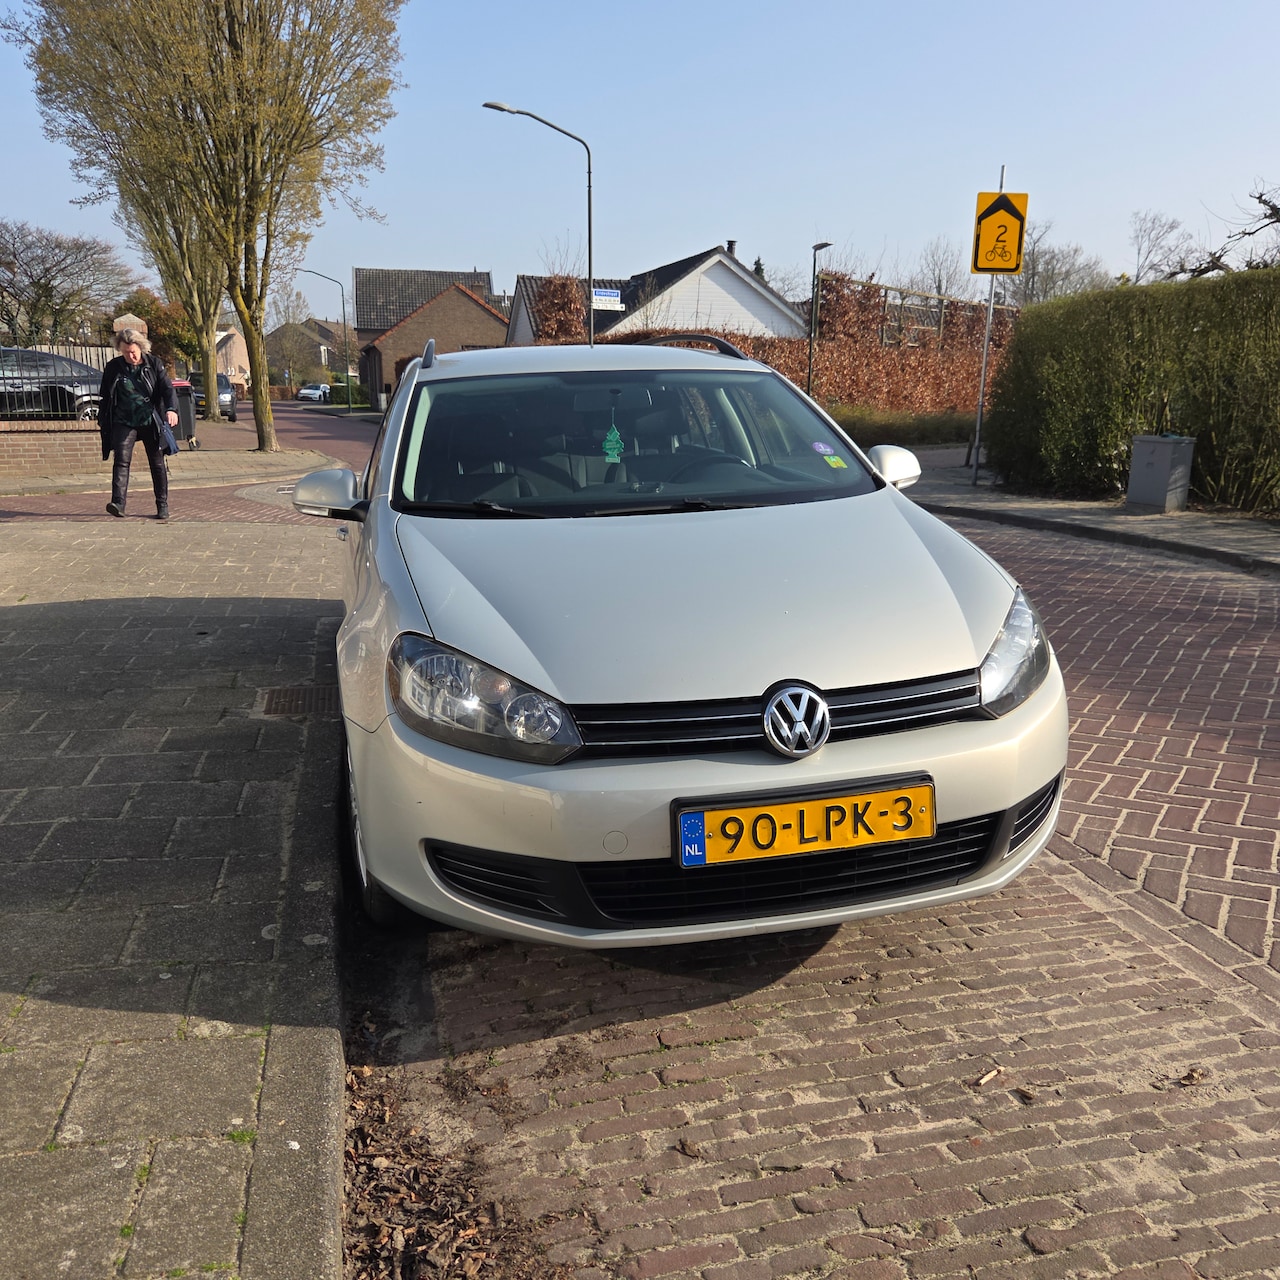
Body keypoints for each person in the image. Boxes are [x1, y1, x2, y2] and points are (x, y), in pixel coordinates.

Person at [98, 328, 179, 521]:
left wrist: (171, 409)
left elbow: (167, 389)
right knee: (121, 460)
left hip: (150, 419)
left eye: (133, 352)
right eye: (126, 352)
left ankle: (162, 505)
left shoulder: (154, 364)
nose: (131, 356)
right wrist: (103, 418)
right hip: (124, 420)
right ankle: (118, 503)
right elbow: (105, 395)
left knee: (157, 462)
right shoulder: (113, 367)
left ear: (141, 347)